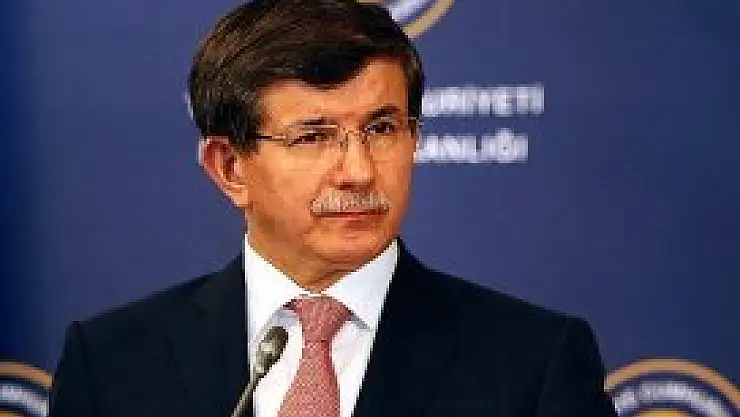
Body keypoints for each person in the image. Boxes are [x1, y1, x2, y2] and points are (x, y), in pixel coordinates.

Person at [49, 1, 619, 416]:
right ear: (230, 168)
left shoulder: (533, 364)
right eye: (314, 137)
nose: (359, 171)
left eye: (382, 128)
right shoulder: (112, 367)